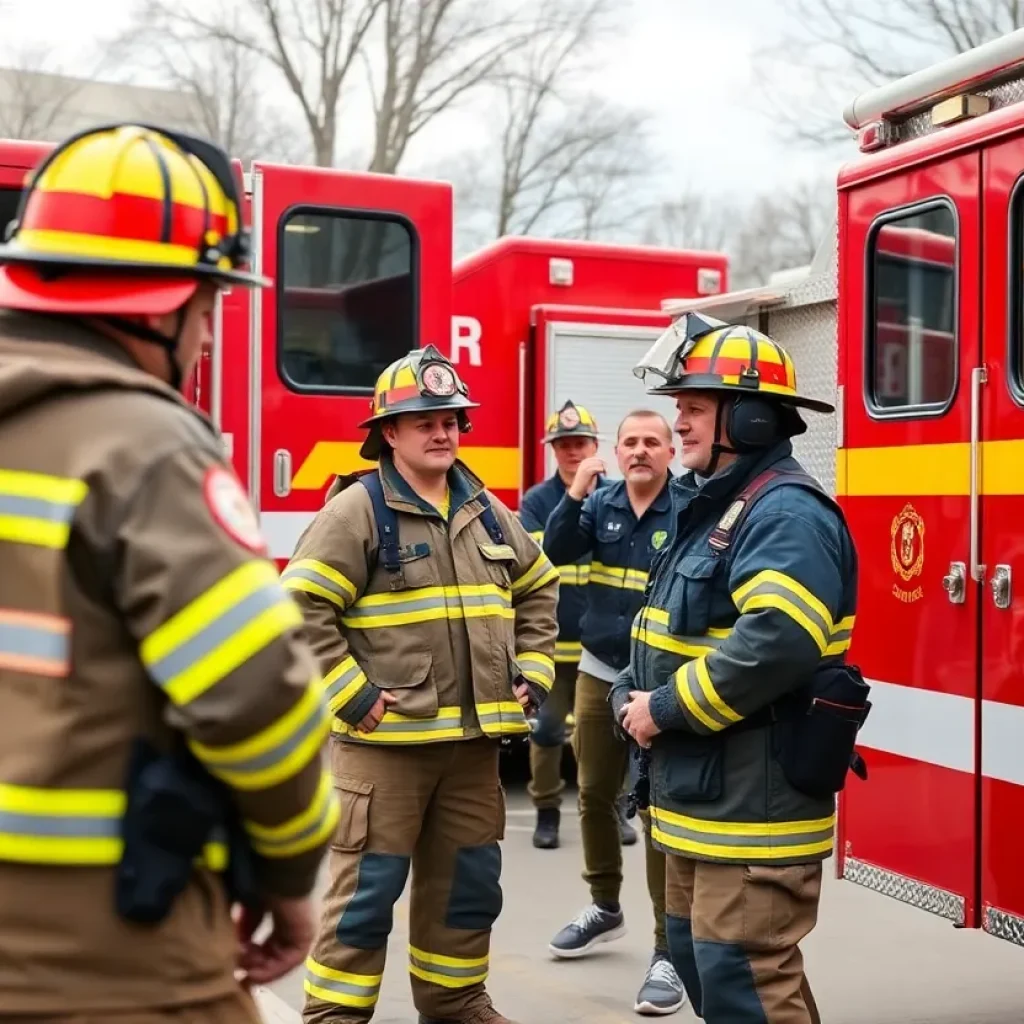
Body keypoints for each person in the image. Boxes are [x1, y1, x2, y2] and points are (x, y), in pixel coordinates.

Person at [0, 122, 338, 1023]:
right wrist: (288, 870)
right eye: (210, 305)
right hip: (103, 958)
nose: (208, 332)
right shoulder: (141, 447)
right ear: (165, 303)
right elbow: (258, 693)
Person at [282, 344, 559, 1024]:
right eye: (426, 420)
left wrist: (535, 672)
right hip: (386, 753)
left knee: (466, 891)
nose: (444, 432)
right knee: (365, 898)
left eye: (453, 419)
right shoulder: (358, 511)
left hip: (471, 751)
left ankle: (457, 1003)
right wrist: (350, 693)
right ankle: (335, 1017)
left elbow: (539, 587)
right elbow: (298, 606)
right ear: (388, 433)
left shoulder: (487, 510)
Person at [616, 314, 860, 1024]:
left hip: (752, 805)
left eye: (693, 408)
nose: (679, 423)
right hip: (703, 795)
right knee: (702, 964)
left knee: (746, 978)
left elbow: (779, 637)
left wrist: (662, 708)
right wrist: (629, 693)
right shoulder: (718, 505)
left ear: (750, 418)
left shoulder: (784, 513)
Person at [543, 410, 686, 1017]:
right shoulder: (597, 503)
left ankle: (667, 949)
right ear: (615, 451)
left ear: (671, 450)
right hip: (602, 672)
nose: (640, 451)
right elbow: (552, 548)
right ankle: (605, 906)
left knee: (654, 807)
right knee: (593, 792)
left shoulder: (688, 507)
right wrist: (574, 493)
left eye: (652, 441)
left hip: (656, 683)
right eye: (630, 442)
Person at [518, 400, 636, 850]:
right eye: (563, 445)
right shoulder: (538, 501)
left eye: (580, 443)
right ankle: (546, 813)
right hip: (550, 646)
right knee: (547, 731)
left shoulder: (616, 496)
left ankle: (616, 808)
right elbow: (537, 558)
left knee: (615, 731)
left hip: (603, 646)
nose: (572, 452)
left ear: (595, 447)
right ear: (553, 451)